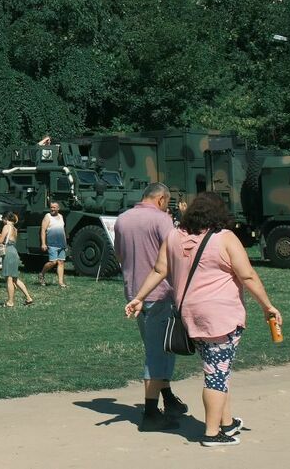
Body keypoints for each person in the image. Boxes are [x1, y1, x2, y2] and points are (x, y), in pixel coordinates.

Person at [126, 192, 282, 447]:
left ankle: (227, 423)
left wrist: (139, 297)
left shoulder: (174, 236)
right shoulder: (225, 238)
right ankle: (212, 433)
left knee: (218, 369)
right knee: (216, 376)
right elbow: (248, 276)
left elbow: (158, 270)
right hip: (220, 317)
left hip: (190, 315)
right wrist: (268, 306)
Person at [114, 182, 187, 430]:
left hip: (134, 292)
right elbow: (176, 255)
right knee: (158, 353)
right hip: (160, 293)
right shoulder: (161, 220)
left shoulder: (122, 219)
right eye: (167, 202)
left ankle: (168, 399)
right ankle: (151, 413)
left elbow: (119, 255)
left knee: (159, 348)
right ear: (161, 199)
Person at [0, 212, 34, 307]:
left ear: (5, 218)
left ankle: (10, 302)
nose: (2, 221)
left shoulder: (6, 227)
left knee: (9, 278)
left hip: (8, 252)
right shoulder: (15, 229)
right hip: (14, 251)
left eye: (3, 219)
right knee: (15, 278)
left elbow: (1, 241)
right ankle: (28, 298)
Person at [39, 201, 68, 288]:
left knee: (61, 262)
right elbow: (43, 230)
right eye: (51, 207)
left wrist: (65, 244)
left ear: (58, 208)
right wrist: (43, 243)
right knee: (53, 262)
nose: (52, 209)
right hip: (52, 243)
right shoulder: (47, 217)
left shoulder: (61, 216)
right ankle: (41, 274)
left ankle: (61, 282)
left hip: (61, 244)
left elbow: (62, 231)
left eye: (54, 207)